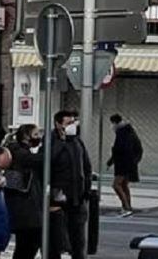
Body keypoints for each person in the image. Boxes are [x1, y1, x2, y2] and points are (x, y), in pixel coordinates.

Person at [49, 110, 92, 259]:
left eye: (73, 122)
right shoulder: (51, 140)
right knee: (54, 242)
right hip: (58, 199)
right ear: (58, 124)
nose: (72, 126)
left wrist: (86, 189)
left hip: (77, 199)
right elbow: (48, 160)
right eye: (68, 123)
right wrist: (62, 141)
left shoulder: (77, 141)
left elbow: (86, 166)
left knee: (78, 241)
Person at [4, 124, 45, 259]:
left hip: (26, 208)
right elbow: (38, 160)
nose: (38, 137)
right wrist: (47, 148)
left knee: (27, 246)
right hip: (24, 209)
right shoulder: (18, 152)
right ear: (26, 136)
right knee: (27, 245)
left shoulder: (22, 152)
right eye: (36, 134)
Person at [106, 113, 143, 218]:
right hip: (128, 163)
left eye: (112, 123)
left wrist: (112, 161)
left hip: (123, 163)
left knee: (116, 185)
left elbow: (119, 150)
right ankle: (127, 207)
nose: (112, 126)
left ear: (115, 123)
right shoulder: (129, 131)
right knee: (124, 185)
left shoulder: (122, 133)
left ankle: (126, 207)